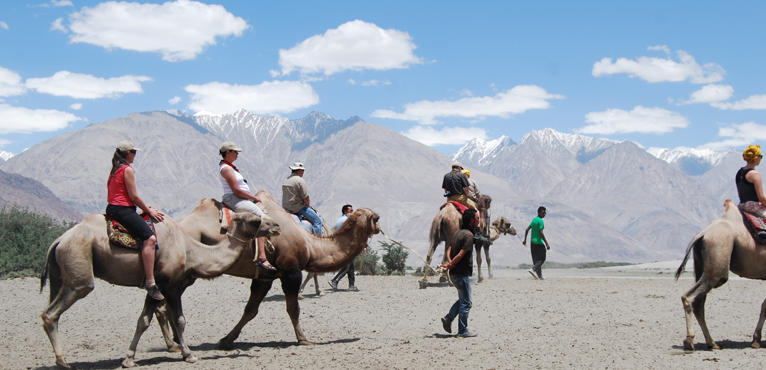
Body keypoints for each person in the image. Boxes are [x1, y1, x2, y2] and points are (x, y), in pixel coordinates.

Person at [106, 141, 166, 301]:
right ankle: (150, 282)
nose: (135, 156)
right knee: (150, 238)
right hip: (122, 210)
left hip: (113, 208)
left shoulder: (115, 170)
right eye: (134, 153)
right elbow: (134, 196)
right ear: (128, 154)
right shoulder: (127, 170)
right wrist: (149, 210)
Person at [218, 141, 276, 271]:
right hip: (235, 199)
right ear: (228, 153)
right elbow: (236, 190)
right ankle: (262, 257)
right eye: (235, 152)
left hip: (239, 197)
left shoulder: (229, 167)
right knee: (262, 220)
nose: (237, 154)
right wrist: (254, 197)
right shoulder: (226, 169)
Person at [440, 208, 479, 338]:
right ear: (471, 220)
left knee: (463, 299)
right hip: (461, 273)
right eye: (477, 218)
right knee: (466, 302)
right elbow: (461, 254)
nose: (479, 221)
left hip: (454, 273)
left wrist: (450, 263)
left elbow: (449, 250)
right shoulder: (469, 235)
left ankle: (449, 318)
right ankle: (463, 330)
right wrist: (452, 264)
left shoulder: (457, 233)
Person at [282, 162, 322, 235]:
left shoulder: (286, 180)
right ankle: (319, 241)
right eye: (303, 171)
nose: (303, 172)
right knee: (317, 221)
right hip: (298, 208)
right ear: (299, 171)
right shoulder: (300, 181)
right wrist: (307, 206)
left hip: (286, 207)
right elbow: (306, 197)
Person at [329, 204, 358, 291]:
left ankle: (351, 285)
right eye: (351, 211)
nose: (352, 212)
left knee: (351, 266)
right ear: (345, 211)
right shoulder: (347, 220)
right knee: (347, 266)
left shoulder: (339, 220)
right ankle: (335, 280)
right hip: (346, 246)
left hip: (339, 245)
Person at [522, 206, 550, 280]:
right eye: (543, 213)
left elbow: (527, 229)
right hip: (539, 243)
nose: (544, 214)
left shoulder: (534, 219)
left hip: (532, 243)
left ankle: (539, 276)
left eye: (545, 213)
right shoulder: (540, 221)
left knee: (536, 260)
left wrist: (525, 240)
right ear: (539, 212)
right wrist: (546, 243)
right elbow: (541, 232)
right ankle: (533, 269)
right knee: (542, 259)